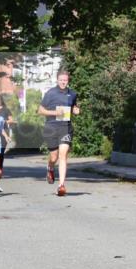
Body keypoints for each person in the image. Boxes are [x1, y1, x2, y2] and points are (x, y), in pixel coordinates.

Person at [38, 69, 80, 197]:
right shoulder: (50, 93)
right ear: (57, 80)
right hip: (51, 127)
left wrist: (76, 110)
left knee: (63, 155)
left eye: (65, 80)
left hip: (65, 127)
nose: (63, 82)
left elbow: (74, 107)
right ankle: (50, 167)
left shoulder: (72, 94)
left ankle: (61, 185)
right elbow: (40, 110)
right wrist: (54, 113)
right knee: (54, 157)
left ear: (68, 81)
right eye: (61, 80)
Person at [0, 95, 15, 178]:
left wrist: (5, 121)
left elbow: (11, 120)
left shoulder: (6, 110)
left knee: (1, 152)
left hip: (4, 132)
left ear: (1, 101)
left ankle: (0, 168)